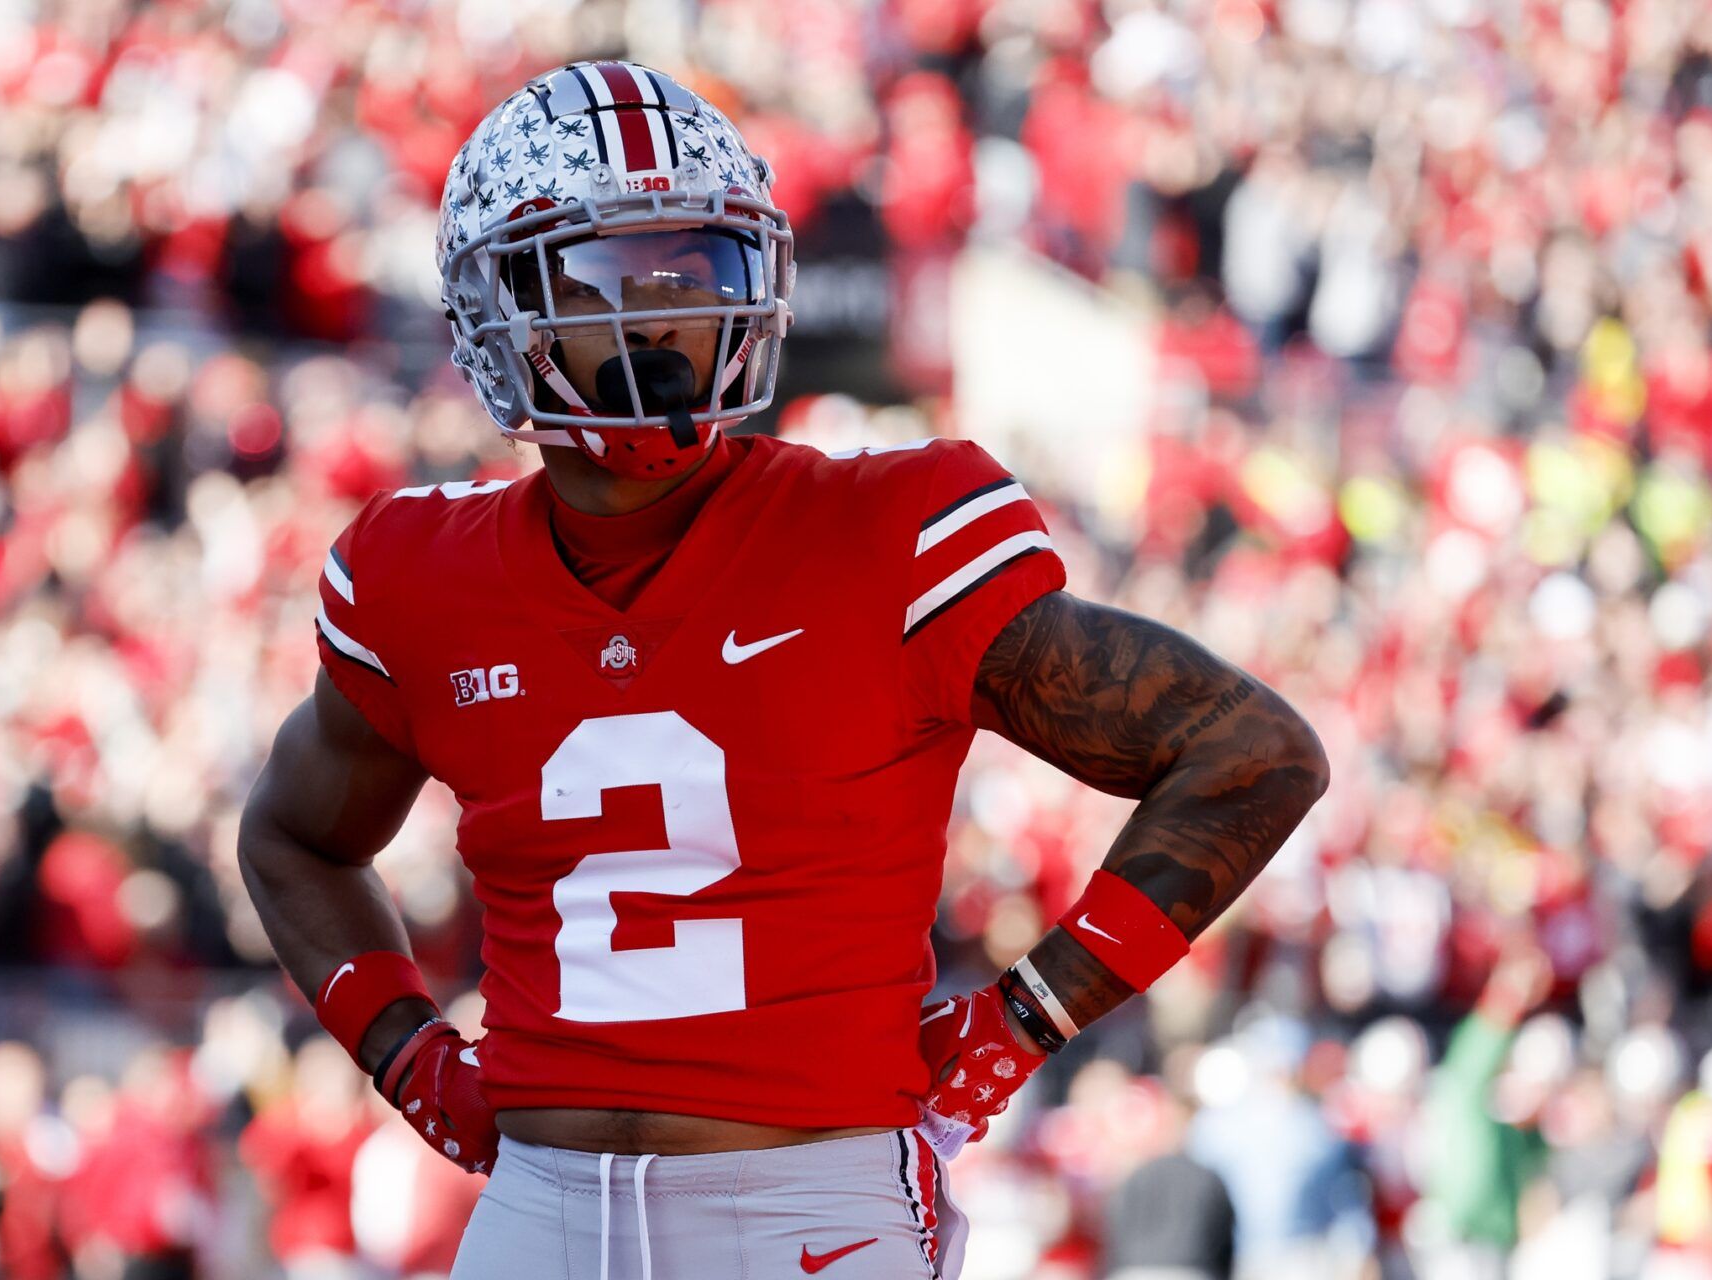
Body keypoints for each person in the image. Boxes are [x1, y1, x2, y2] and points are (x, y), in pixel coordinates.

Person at [236, 60, 1330, 1279]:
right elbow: (295, 838)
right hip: (539, 1207)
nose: (659, 322)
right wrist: (406, 1051)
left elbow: (1252, 751)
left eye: (696, 274)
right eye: (607, 278)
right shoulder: (414, 573)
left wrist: (1029, 1012)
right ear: (498, 305)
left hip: (809, 1206)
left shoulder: (890, 529)